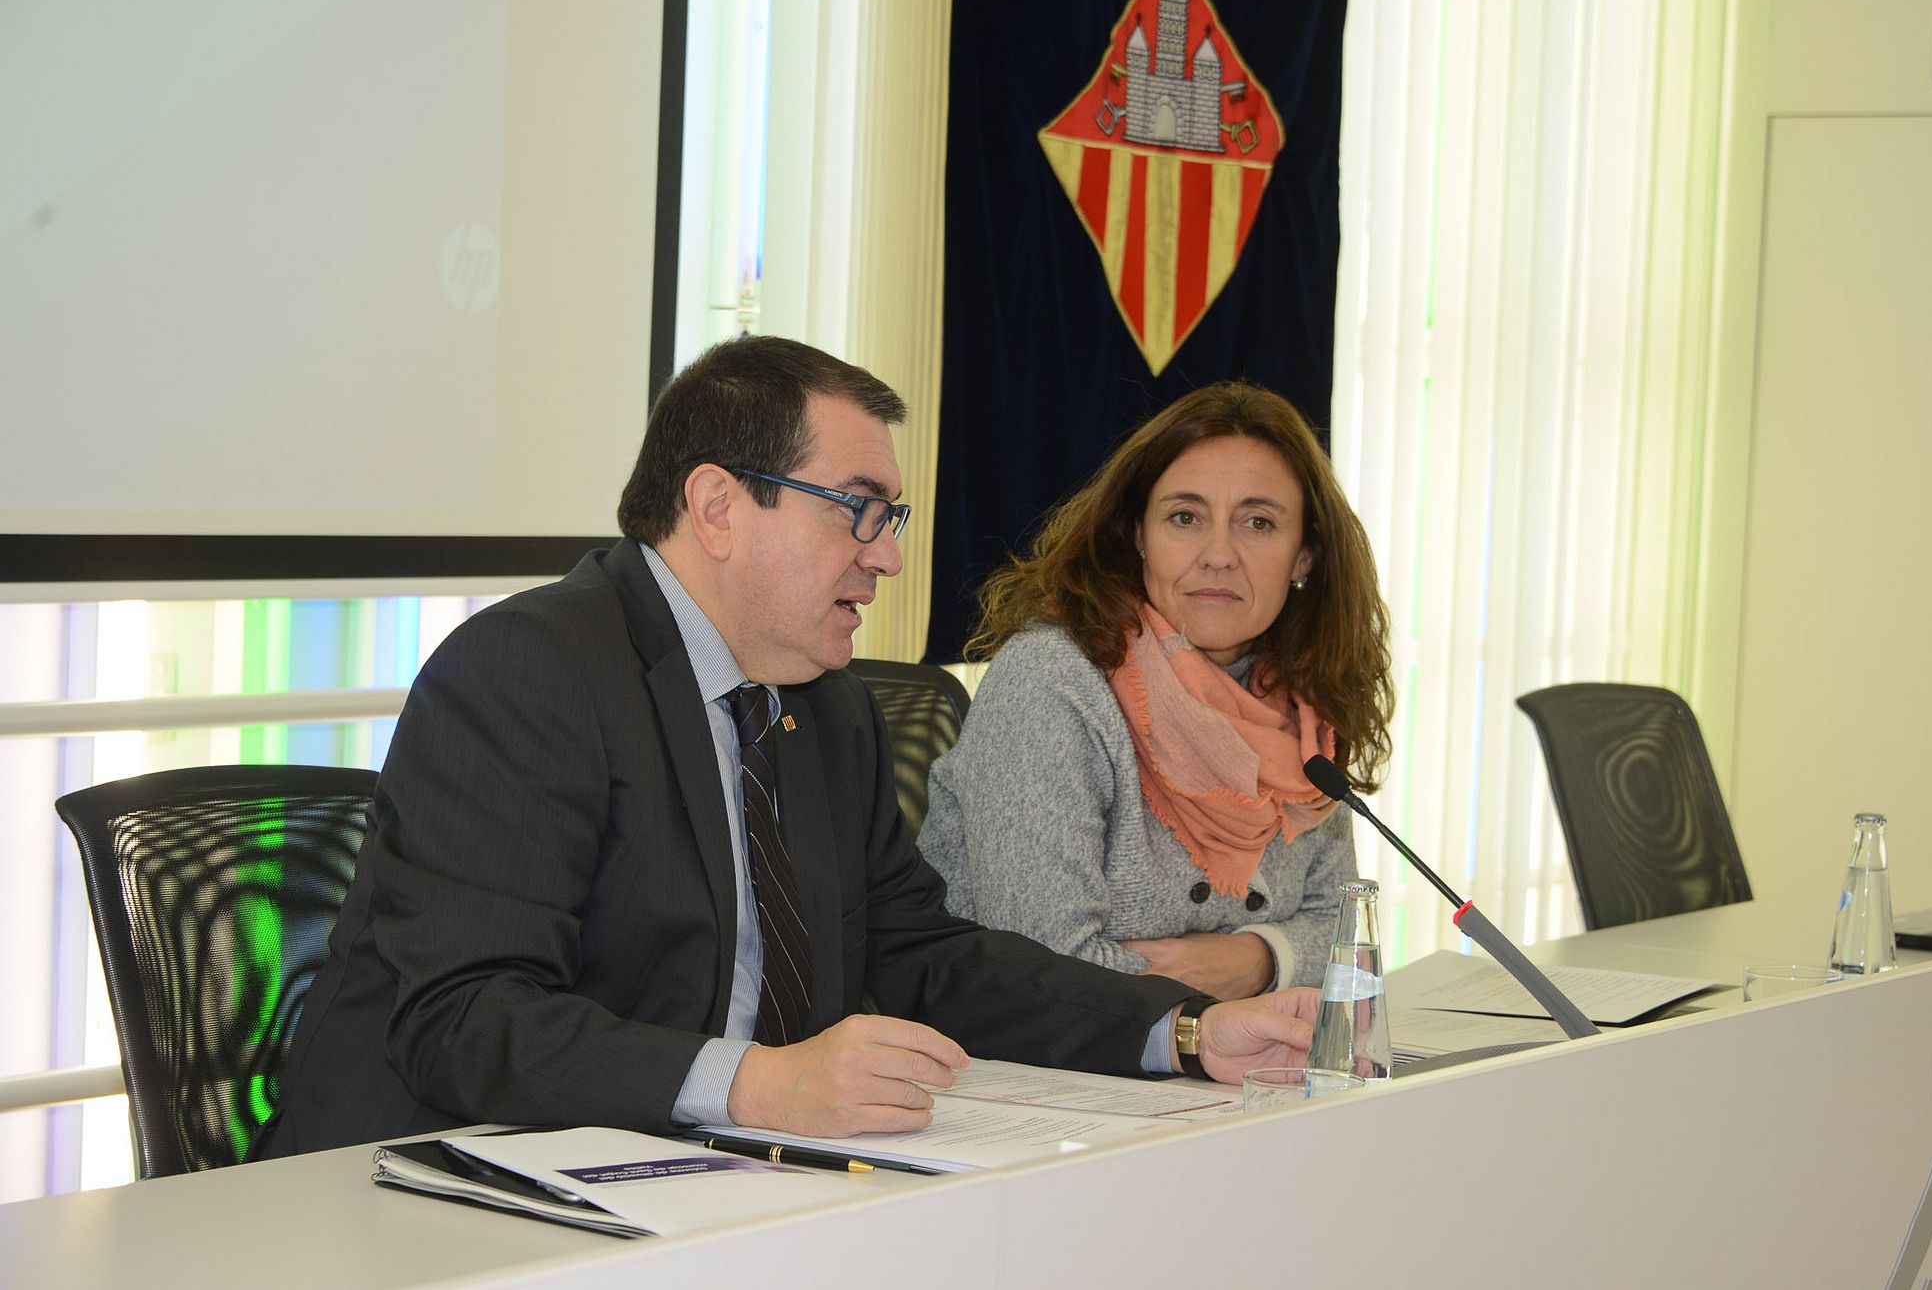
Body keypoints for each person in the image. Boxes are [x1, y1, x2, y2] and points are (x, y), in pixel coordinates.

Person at [254, 336, 1315, 1159]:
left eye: (889, 515)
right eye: (857, 511)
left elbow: (922, 957)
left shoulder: (824, 706)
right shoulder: (529, 671)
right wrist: (755, 1084)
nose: (889, 556)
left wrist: (1178, 1032)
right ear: (717, 506)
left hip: (701, 1180)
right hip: (430, 1186)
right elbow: (461, 1019)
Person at [918, 383, 1395, 1000]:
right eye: (1185, 517)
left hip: (1228, 1073)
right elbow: (1041, 971)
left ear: (1304, 556)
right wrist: (1212, 1005)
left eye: (1258, 522)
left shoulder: (1303, 701)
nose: (1219, 554)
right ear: (1138, 535)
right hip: (1041, 1077)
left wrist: (1256, 959)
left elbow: (1346, 944)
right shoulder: (1051, 681)